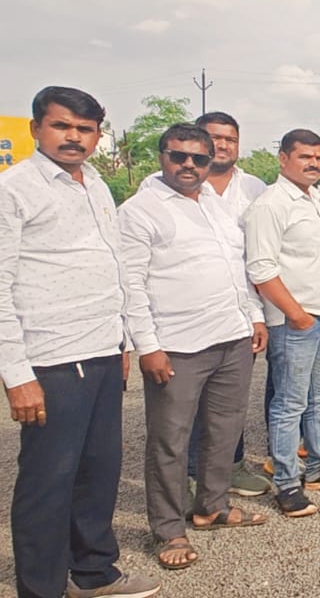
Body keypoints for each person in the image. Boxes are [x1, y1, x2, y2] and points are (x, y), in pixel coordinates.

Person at [0, 86, 160, 598]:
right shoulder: (14, 190)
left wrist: (123, 342)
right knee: (49, 484)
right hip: (51, 360)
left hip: (101, 350)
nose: (74, 137)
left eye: (85, 129)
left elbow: (113, 266)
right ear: (36, 129)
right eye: (62, 126)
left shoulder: (94, 183)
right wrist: (16, 374)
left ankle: (94, 571)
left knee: (98, 472)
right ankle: (41, 588)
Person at [119, 123, 269, 570]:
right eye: (178, 156)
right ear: (161, 156)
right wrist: (147, 346)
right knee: (171, 441)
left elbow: (238, 267)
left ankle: (213, 506)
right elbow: (131, 284)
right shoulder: (140, 210)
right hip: (177, 346)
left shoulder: (215, 205)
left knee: (224, 430)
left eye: (198, 158)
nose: (188, 165)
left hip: (232, 336)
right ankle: (168, 529)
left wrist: (255, 317)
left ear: (209, 162)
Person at [245, 129, 320, 519]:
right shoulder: (270, 204)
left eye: (318, 157)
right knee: (289, 404)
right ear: (283, 159)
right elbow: (261, 269)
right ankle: (286, 483)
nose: (314, 164)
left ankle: (319, 466)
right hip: (297, 322)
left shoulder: (315, 199)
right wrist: (297, 315)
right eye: (304, 157)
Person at [183, 111, 272, 498]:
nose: (222, 145)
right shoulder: (169, 188)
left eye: (230, 139)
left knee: (230, 402)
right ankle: (187, 477)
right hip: (187, 317)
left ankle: (230, 468)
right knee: (185, 404)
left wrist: (257, 313)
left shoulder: (254, 188)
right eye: (214, 138)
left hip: (242, 313)